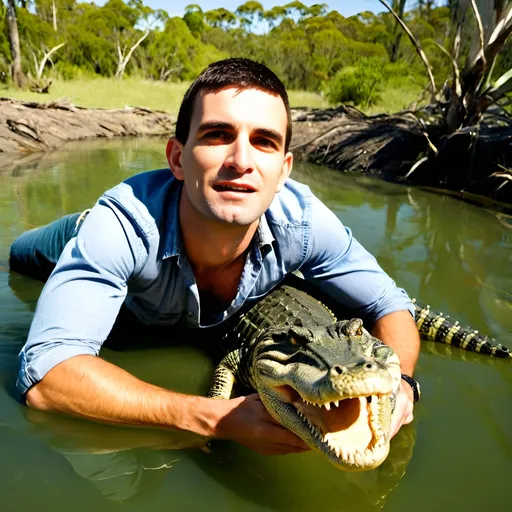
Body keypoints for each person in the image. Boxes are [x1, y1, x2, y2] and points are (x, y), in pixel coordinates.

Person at [10, 58, 420, 456]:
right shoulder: (120, 228)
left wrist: (402, 384)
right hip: (80, 233)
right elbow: (47, 378)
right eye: (218, 134)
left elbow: (389, 303)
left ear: (283, 170)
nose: (241, 161)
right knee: (18, 254)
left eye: (264, 141)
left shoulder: (305, 225)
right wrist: (214, 419)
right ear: (177, 158)